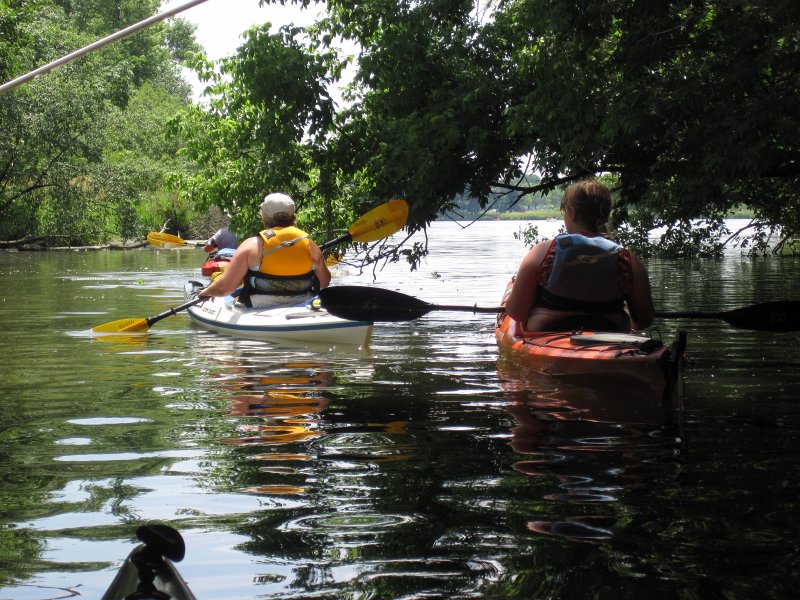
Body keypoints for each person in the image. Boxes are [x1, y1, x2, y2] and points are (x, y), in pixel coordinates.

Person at [505, 180, 655, 332]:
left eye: (564, 212)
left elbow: (517, 313)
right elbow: (643, 321)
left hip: (547, 333)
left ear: (572, 213)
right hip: (611, 335)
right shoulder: (628, 259)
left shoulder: (542, 252)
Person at [197, 193, 331, 307]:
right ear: (293, 216)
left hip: (258, 305)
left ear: (265, 217)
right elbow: (324, 282)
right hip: (302, 303)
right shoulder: (310, 245)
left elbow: (224, 288)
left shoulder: (251, 246)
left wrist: (207, 291)